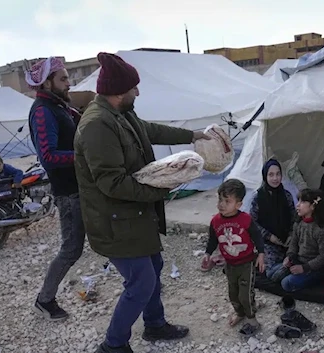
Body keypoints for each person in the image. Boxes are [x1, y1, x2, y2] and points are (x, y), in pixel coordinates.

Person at [73, 52, 210, 353]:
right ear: (119, 92)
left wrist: (195, 135)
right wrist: (162, 190)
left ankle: (155, 325)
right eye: (134, 88)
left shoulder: (121, 114)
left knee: (154, 264)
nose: (139, 92)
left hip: (133, 214)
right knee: (140, 282)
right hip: (114, 220)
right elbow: (112, 183)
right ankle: (113, 345)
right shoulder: (97, 125)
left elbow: (151, 130)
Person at [25, 57, 86, 321]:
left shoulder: (59, 106)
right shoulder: (42, 110)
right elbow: (48, 156)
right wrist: (83, 156)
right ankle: (45, 300)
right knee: (71, 249)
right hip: (68, 192)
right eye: (63, 78)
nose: (68, 82)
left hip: (81, 187)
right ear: (47, 82)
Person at [203, 179, 265, 336]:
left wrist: (261, 254)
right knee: (233, 293)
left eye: (227, 201)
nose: (221, 204)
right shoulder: (215, 221)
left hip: (246, 264)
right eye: (220, 200)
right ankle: (240, 313)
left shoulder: (245, 220)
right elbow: (213, 240)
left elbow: (257, 237)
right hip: (230, 265)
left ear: (238, 204)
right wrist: (207, 254)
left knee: (245, 294)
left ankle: (252, 319)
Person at [267, 188, 324, 292]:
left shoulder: (322, 230)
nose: (297, 205)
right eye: (298, 201)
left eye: (302, 202)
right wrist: (289, 257)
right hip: (299, 261)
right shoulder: (299, 224)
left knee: (286, 283)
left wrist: (305, 267)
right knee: (271, 274)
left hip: (315, 267)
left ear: (312, 206)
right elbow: (294, 243)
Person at [249, 159, 296, 269]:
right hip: (267, 243)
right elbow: (253, 223)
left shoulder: (286, 196)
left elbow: (295, 219)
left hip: (287, 242)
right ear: (265, 176)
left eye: (278, 174)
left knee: (296, 260)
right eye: (271, 175)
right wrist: (269, 237)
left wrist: (291, 235)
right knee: (269, 266)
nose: (275, 178)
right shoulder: (258, 198)